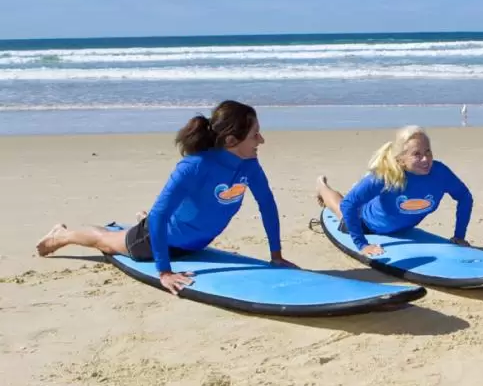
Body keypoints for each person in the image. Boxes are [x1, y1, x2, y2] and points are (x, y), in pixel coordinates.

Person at [35, 100, 292, 295]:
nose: (262, 139)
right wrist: (165, 271)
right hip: (156, 242)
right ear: (232, 139)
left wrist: (276, 255)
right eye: (255, 134)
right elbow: (160, 215)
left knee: (158, 218)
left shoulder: (249, 165)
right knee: (106, 241)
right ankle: (63, 234)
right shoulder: (194, 166)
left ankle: (142, 220)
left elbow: (267, 205)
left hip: (193, 242)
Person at [316, 125, 473, 257]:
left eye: (428, 152)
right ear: (401, 159)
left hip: (401, 229)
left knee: (358, 197)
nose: (425, 159)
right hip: (365, 223)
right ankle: (322, 186)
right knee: (341, 208)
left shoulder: (440, 173)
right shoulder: (386, 176)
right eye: (416, 154)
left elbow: (464, 197)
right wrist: (362, 245)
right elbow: (349, 204)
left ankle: (357, 189)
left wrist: (459, 236)